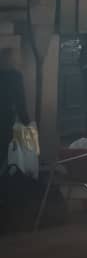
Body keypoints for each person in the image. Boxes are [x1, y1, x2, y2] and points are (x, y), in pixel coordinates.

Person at [1, 47, 30, 177]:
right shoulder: (15, 76)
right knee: (5, 148)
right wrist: (26, 121)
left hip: (6, 116)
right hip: (6, 117)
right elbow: (20, 100)